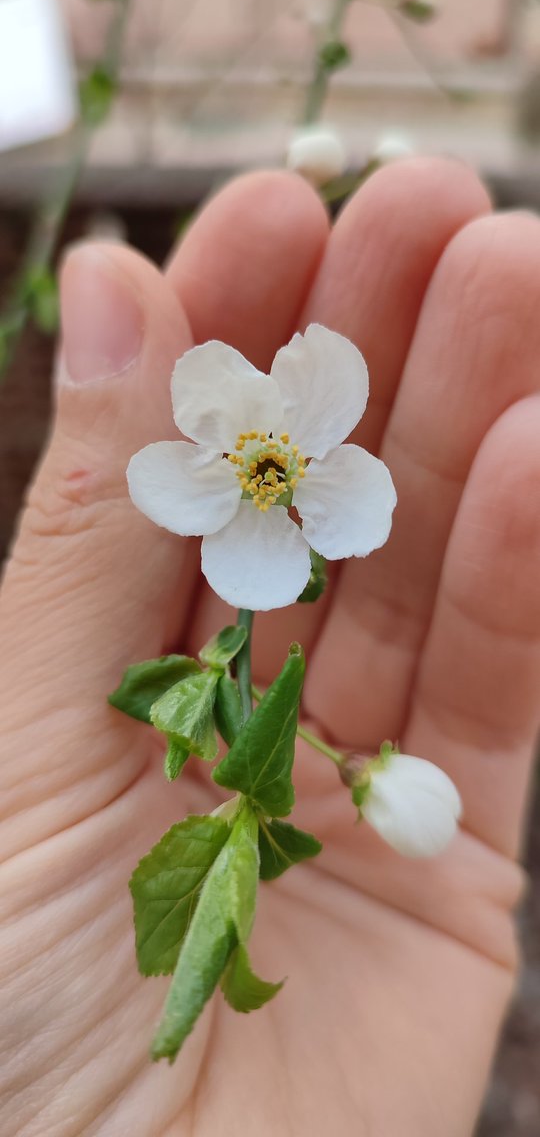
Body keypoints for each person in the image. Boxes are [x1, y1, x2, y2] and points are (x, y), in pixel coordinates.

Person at [0, 158, 538, 1136]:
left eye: (273, 465)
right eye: (261, 465)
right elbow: (194, 483)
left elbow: (326, 519)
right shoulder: (224, 491)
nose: (267, 468)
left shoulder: (319, 483)